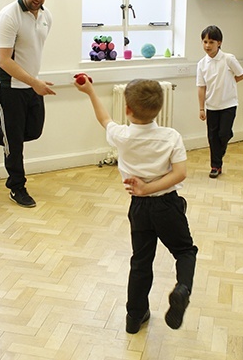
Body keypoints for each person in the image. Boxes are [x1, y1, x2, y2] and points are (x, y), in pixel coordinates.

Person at [75, 78, 198, 334]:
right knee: (185, 251)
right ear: (160, 108)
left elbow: (104, 118)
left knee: (141, 262)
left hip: (139, 208)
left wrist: (90, 91)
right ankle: (182, 288)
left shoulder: (122, 135)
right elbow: (181, 173)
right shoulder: (171, 136)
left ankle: (134, 317)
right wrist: (151, 187)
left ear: (128, 109)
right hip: (168, 206)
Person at [0, 0, 55, 208]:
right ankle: (17, 187)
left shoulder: (46, 16)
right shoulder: (9, 16)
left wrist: (33, 82)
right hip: (8, 87)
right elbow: (5, 61)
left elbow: (28, 47)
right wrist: (34, 82)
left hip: (31, 84)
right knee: (15, 144)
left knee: (32, 131)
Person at [196, 25, 243, 178]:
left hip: (228, 105)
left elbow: (241, 75)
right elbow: (201, 87)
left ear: (219, 43)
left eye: (211, 42)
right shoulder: (201, 64)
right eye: (205, 42)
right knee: (212, 137)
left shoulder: (228, 59)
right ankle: (215, 166)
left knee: (224, 134)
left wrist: (228, 85)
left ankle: (218, 159)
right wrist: (201, 108)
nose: (207, 45)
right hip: (211, 106)